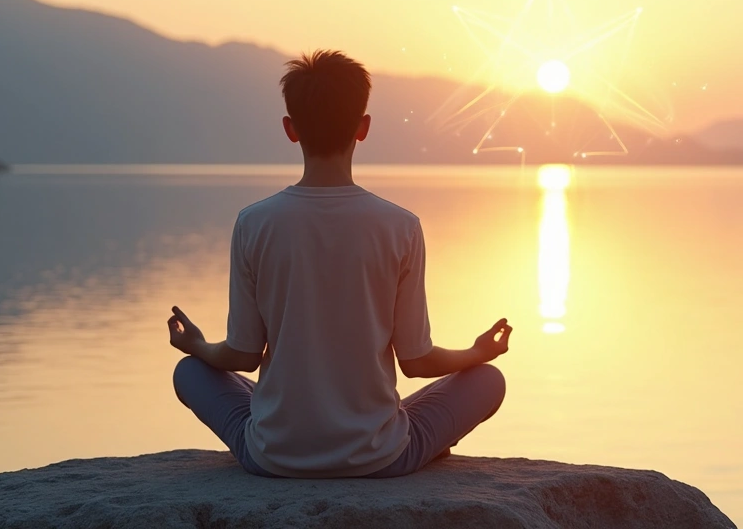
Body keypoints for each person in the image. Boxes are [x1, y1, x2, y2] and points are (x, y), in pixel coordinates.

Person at [167, 50, 512, 478]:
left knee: (189, 372)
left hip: (273, 456)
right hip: (380, 458)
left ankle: (299, 427)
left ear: (290, 130)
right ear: (363, 128)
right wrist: (476, 352)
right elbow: (416, 362)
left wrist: (197, 346)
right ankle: (375, 426)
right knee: (488, 381)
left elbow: (242, 355)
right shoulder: (401, 226)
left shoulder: (254, 223)